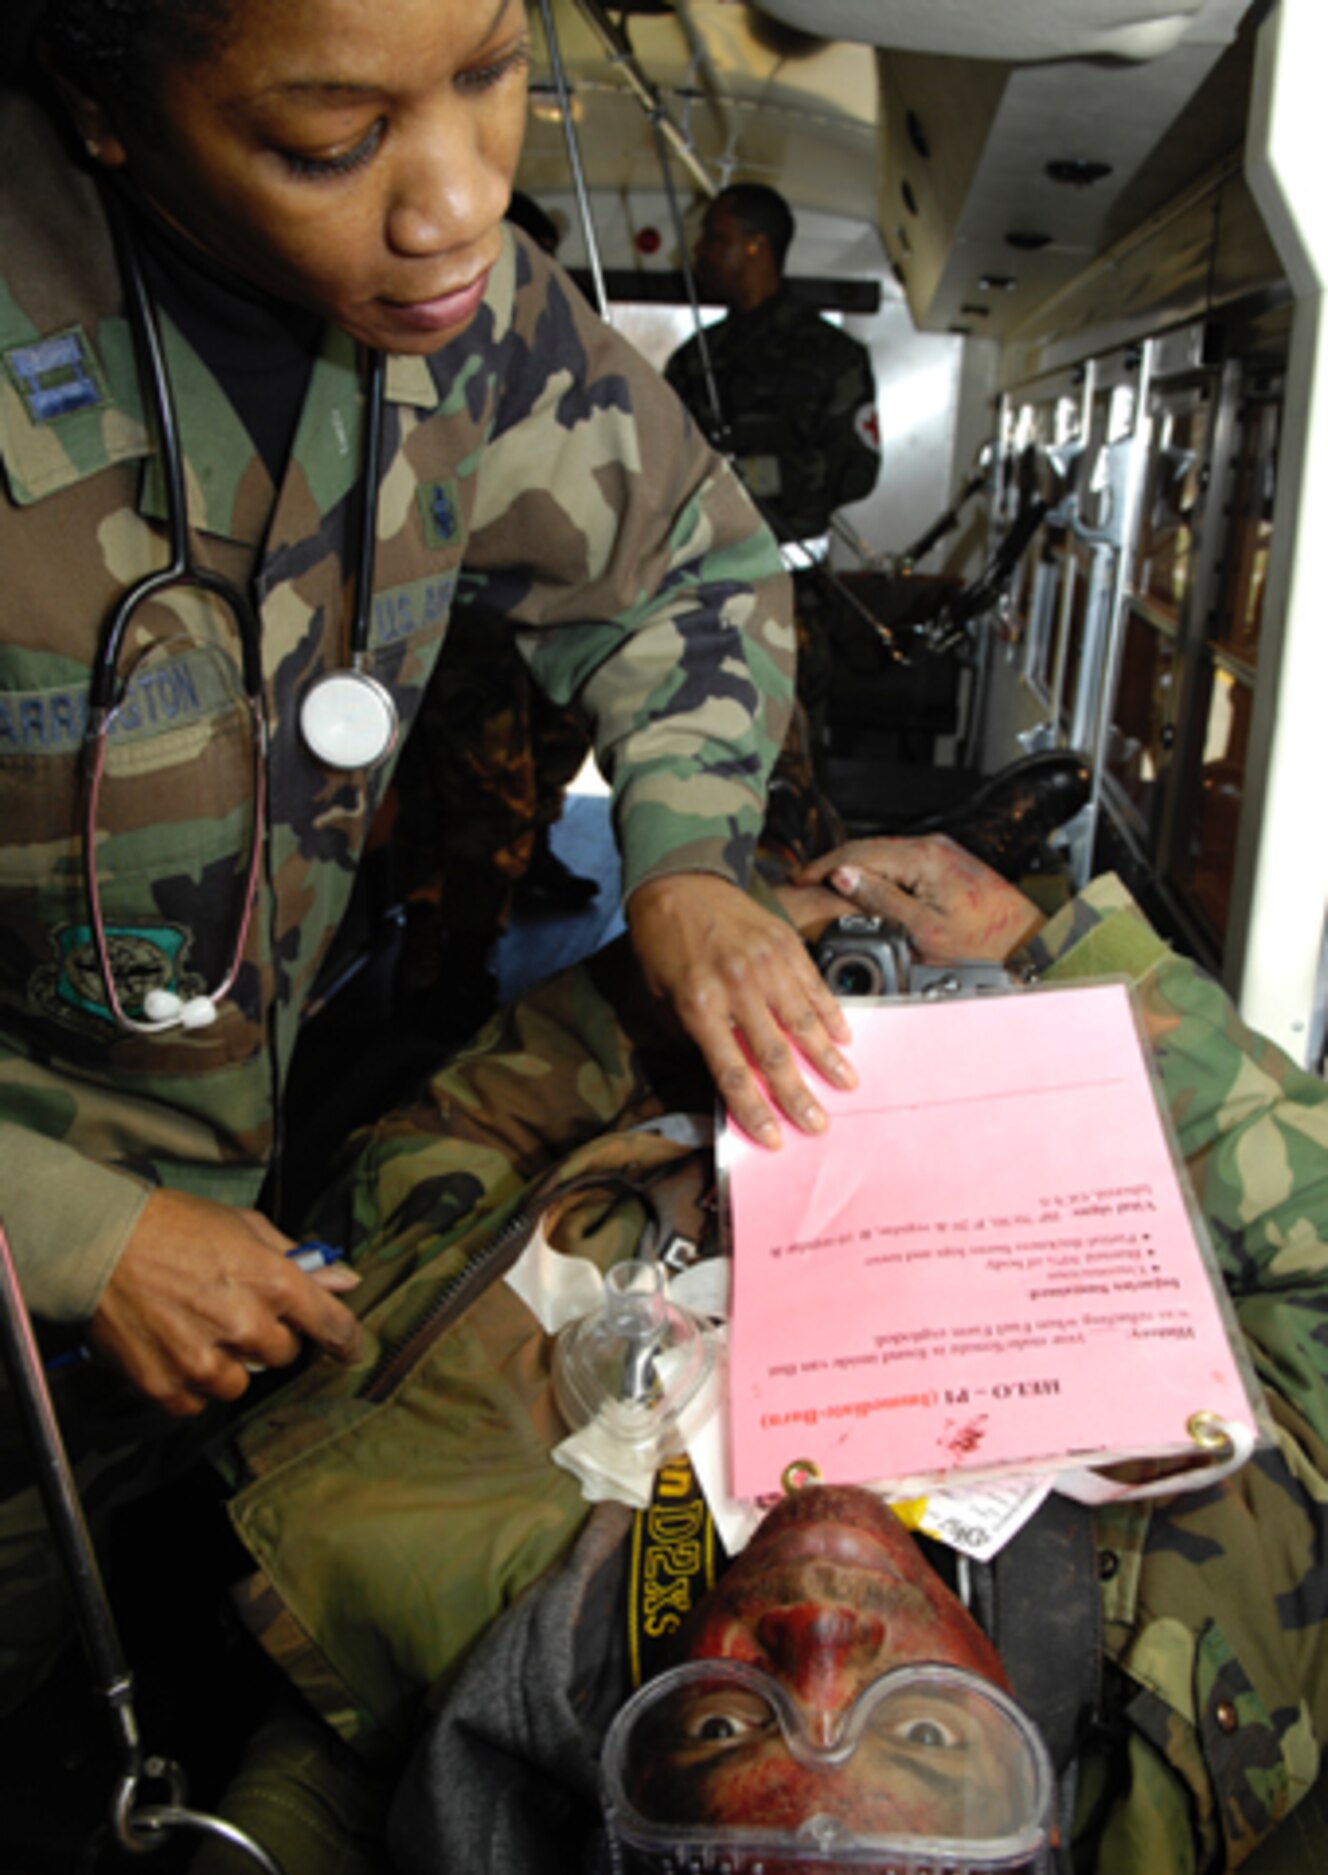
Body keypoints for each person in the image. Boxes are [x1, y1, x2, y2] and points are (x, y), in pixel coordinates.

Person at [0, 0, 866, 1421]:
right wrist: (74, 1237)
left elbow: (686, 571)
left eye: (490, 72)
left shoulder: (484, 319)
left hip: (235, 1219)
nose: (461, 206)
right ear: (108, 115)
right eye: (333, 141)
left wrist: (688, 865)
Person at [335, 832, 1328, 1875]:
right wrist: (1060, 956)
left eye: (720, 1732)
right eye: (921, 1734)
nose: (818, 1638)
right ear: (1038, 1806)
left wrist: (686, 971)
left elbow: (423, 1163)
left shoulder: (460, 1546)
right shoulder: (1200, 1643)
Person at [389, 189, 598, 1045]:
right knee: (477, 801)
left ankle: (472, 931)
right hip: (455, 620)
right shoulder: (420, 353)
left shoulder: (552, 362)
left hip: (537, 610)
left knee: (531, 773)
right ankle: (448, 965)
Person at [665, 182, 881, 732]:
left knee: (791, 764)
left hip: (792, 600)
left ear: (757, 246)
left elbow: (857, 469)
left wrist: (753, 475)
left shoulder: (832, 356)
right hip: (702, 597)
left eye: (717, 238)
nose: (702, 252)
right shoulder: (695, 361)